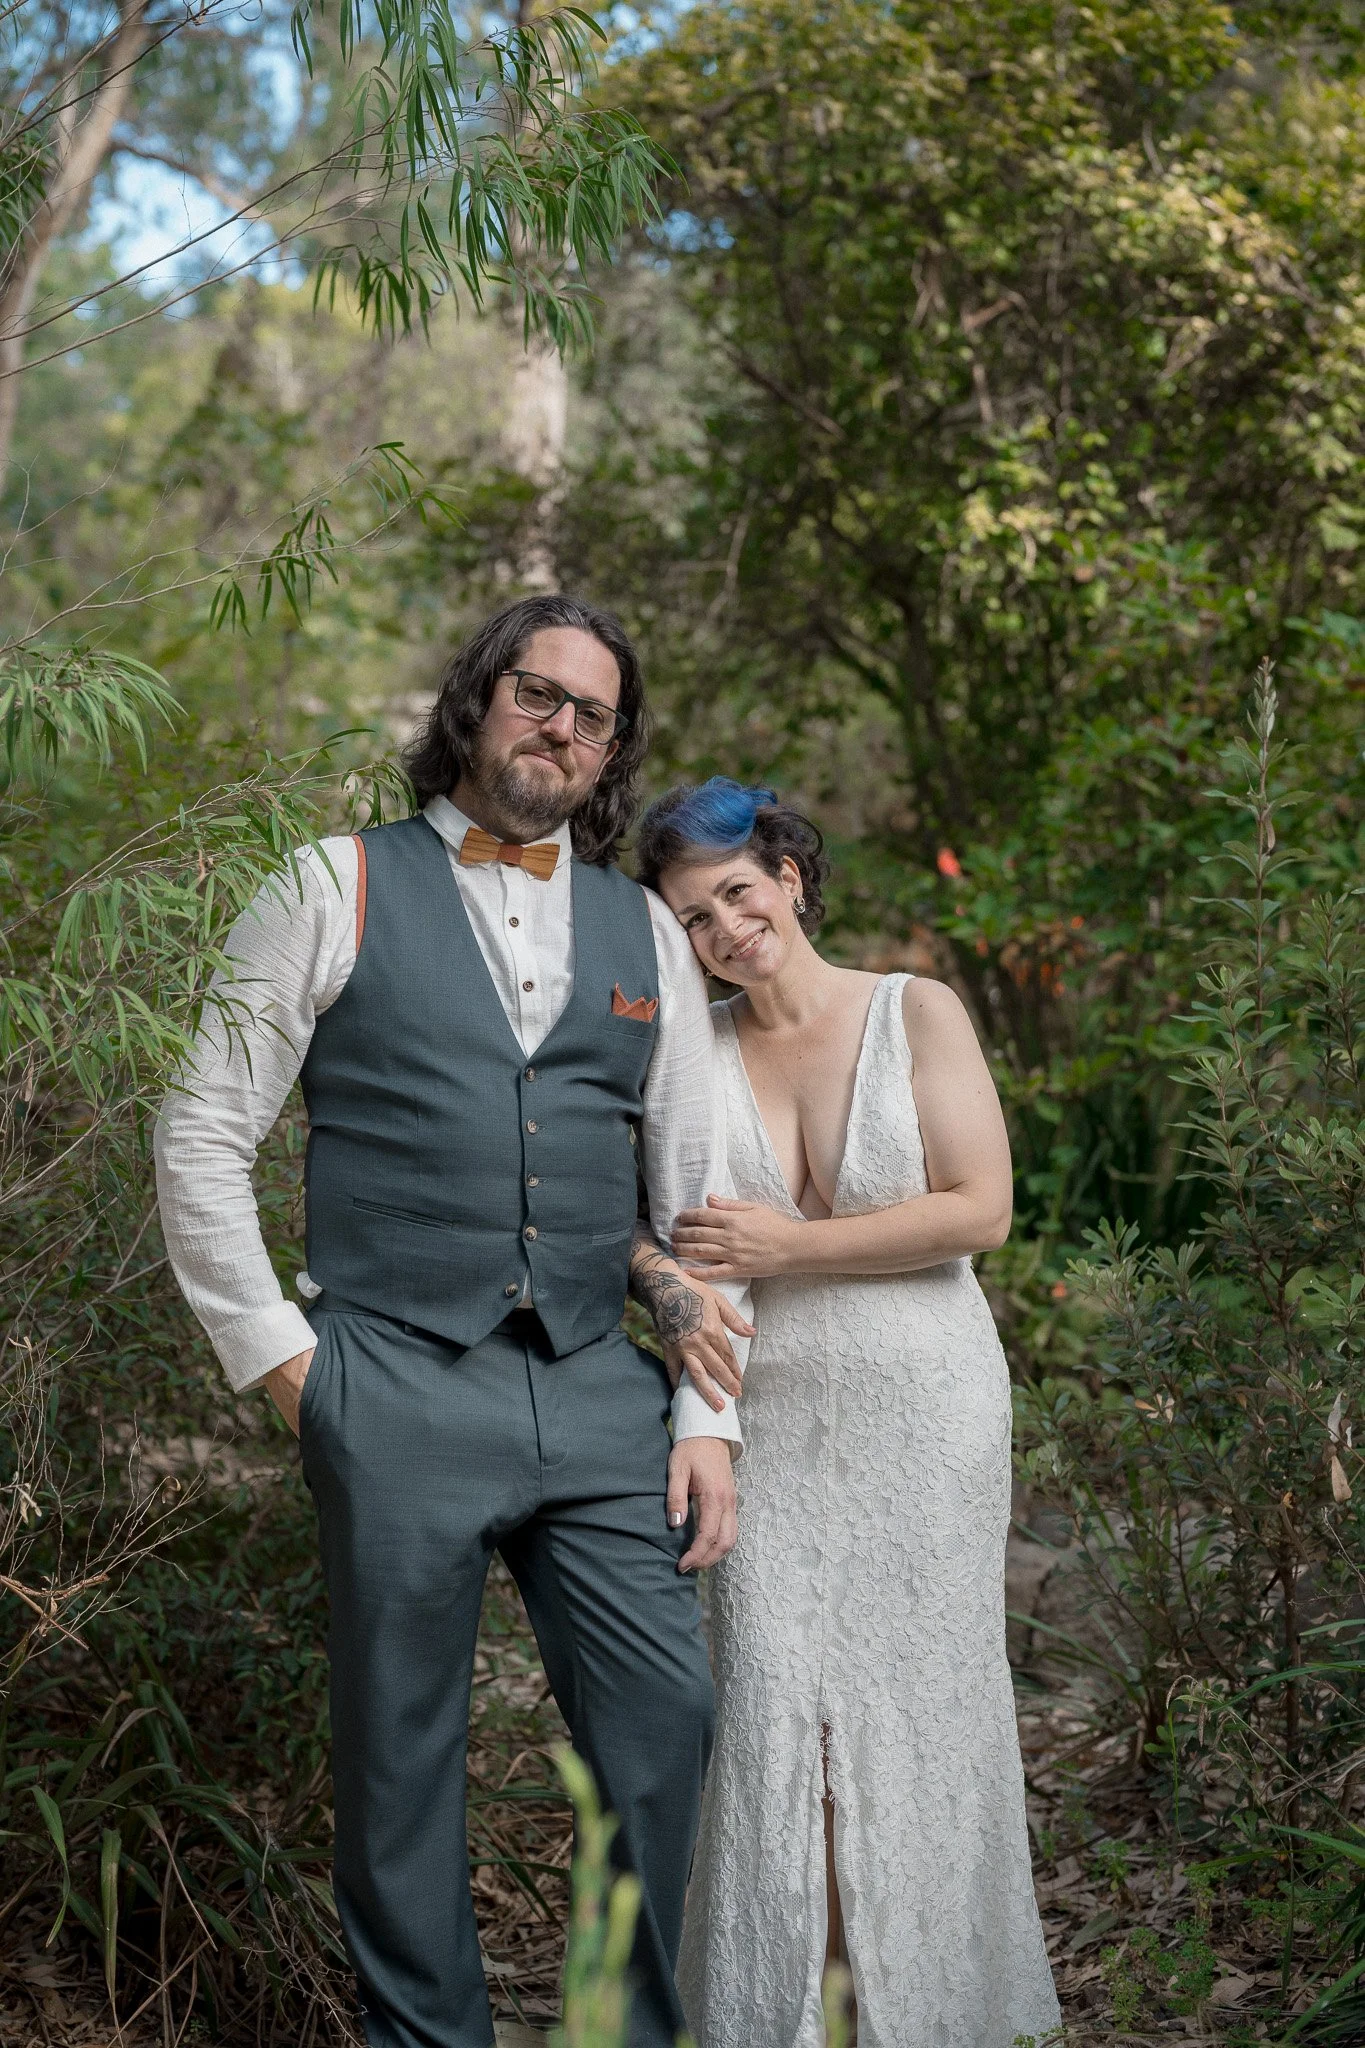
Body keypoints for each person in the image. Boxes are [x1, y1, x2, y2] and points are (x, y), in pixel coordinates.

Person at [153, 598, 755, 2048]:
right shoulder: (330, 883)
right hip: (394, 1379)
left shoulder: (641, 930)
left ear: (611, 750)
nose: (559, 726)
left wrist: (707, 1417)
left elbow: (700, 1200)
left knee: (662, 1723)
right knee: (403, 1759)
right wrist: (297, 1373)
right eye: (535, 693)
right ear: (477, 700)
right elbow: (198, 1133)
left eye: (592, 713)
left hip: (599, 1392)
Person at [633, 778, 1061, 2048]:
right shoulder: (690, 1050)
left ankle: (928, 2015)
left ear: (792, 877)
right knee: (775, 1720)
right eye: (696, 917)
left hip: (925, 1411)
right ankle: (785, 2020)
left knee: (924, 1711)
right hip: (764, 1420)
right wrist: (700, 1424)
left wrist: (789, 1241)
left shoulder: (913, 1010)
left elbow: (980, 1209)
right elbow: (684, 1257)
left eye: (740, 893)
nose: (727, 929)